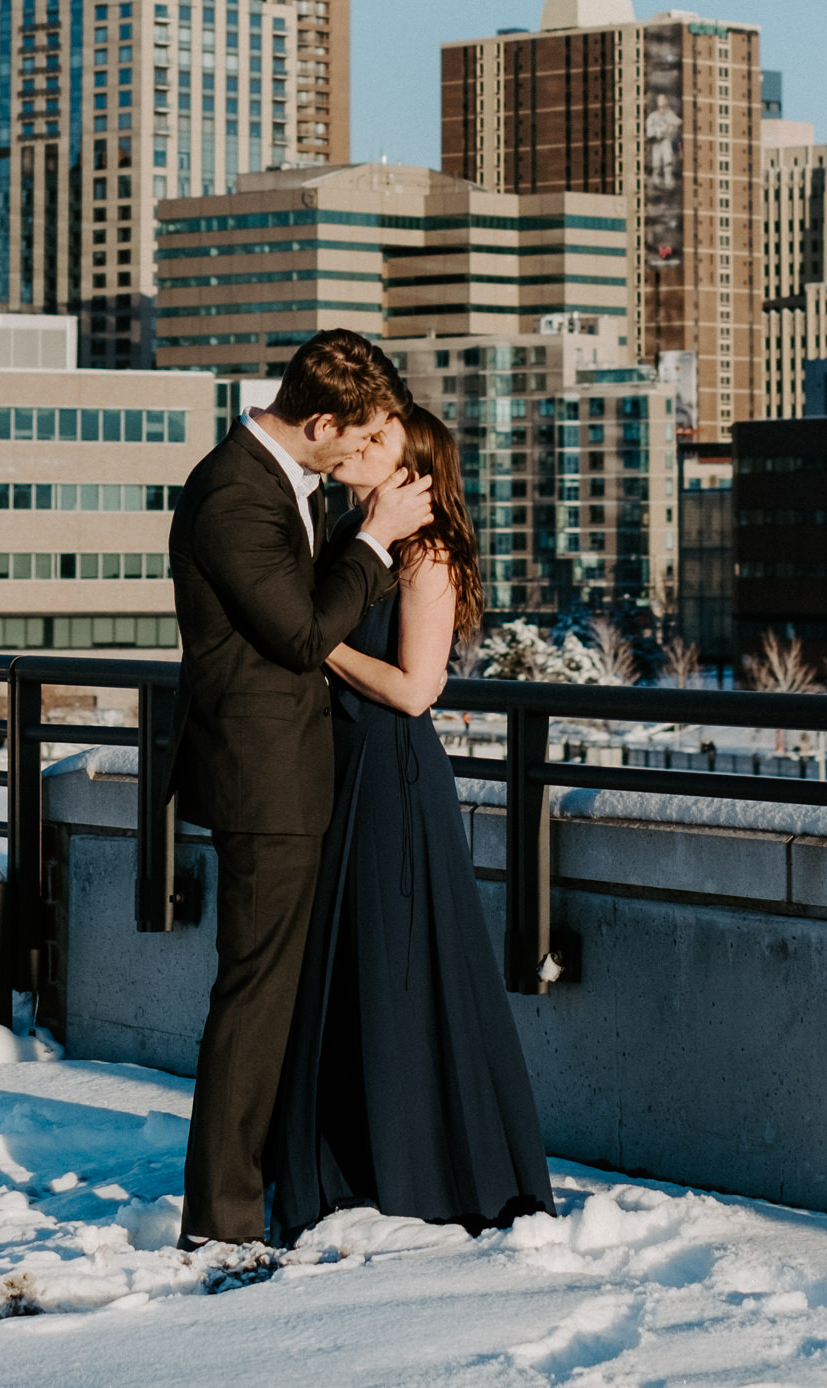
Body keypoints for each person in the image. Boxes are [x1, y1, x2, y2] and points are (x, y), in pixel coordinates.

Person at [167, 329, 434, 1250]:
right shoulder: (235, 494)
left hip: (291, 773)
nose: (361, 455)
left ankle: (265, 1190)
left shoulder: (283, 482)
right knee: (255, 998)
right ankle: (222, 1221)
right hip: (262, 781)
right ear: (319, 420)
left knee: (277, 995)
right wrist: (376, 538)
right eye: (355, 439)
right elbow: (300, 634)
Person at [271, 402, 553, 1242]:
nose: (359, 443)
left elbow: (415, 689)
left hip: (390, 780)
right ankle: (346, 1166)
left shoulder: (424, 553)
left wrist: (312, 640)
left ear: (415, 468)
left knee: (400, 973)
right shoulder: (342, 530)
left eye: (379, 437)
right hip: (336, 772)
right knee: (344, 974)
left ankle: (428, 1171)